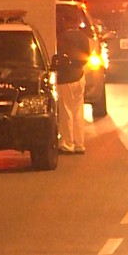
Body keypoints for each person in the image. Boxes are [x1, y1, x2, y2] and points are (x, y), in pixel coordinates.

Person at [56, 13, 90, 154]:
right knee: (78, 111)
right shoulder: (83, 37)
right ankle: (79, 144)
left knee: (66, 111)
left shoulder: (63, 37)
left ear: (66, 21)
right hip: (79, 75)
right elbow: (86, 56)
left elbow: (59, 55)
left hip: (66, 77)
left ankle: (67, 143)